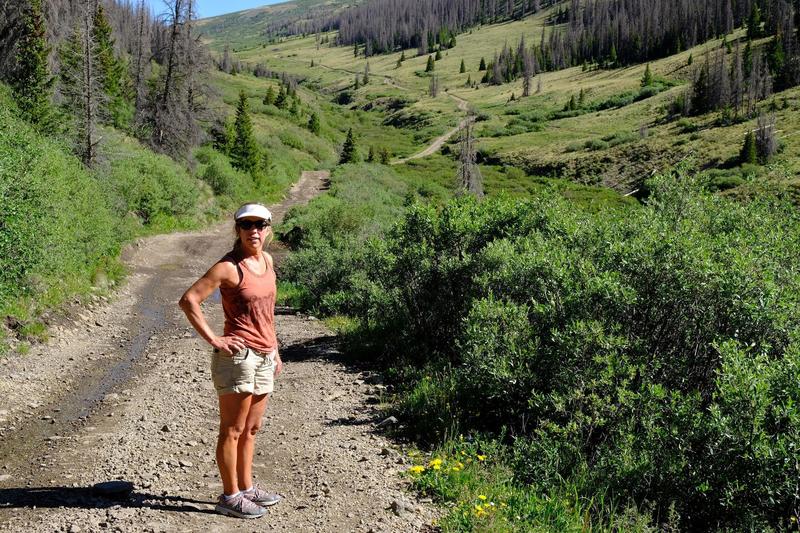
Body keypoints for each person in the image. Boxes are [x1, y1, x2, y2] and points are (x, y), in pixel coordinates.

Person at [178, 202, 283, 519]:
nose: (254, 231)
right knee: (233, 430)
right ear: (237, 230)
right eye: (247, 225)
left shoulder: (267, 259)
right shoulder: (228, 267)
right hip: (238, 358)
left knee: (251, 429)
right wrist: (215, 339)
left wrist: (275, 349)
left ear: (267, 229)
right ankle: (230, 496)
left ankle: (247, 489)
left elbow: (266, 311)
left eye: (260, 225)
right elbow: (189, 299)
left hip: (264, 355)